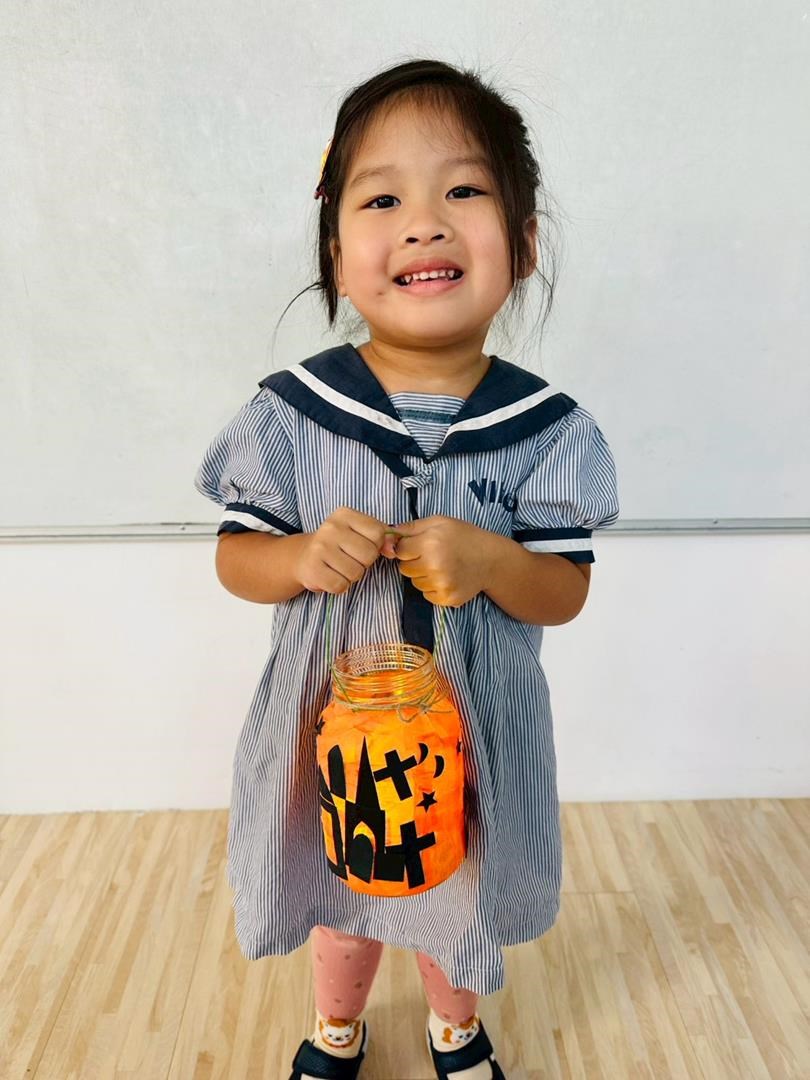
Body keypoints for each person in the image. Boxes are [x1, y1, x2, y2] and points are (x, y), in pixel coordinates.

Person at [194, 58, 619, 1080]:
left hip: (473, 735)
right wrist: (298, 556)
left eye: (463, 191)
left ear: (522, 244)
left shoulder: (546, 430)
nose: (425, 224)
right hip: (336, 731)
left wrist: (492, 560)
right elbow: (235, 562)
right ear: (338, 256)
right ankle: (336, 1028)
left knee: (454, 896)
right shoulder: (292, 415)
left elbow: (565, 589)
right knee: (344, 898)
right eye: (384, 200)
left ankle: (453, 1030)